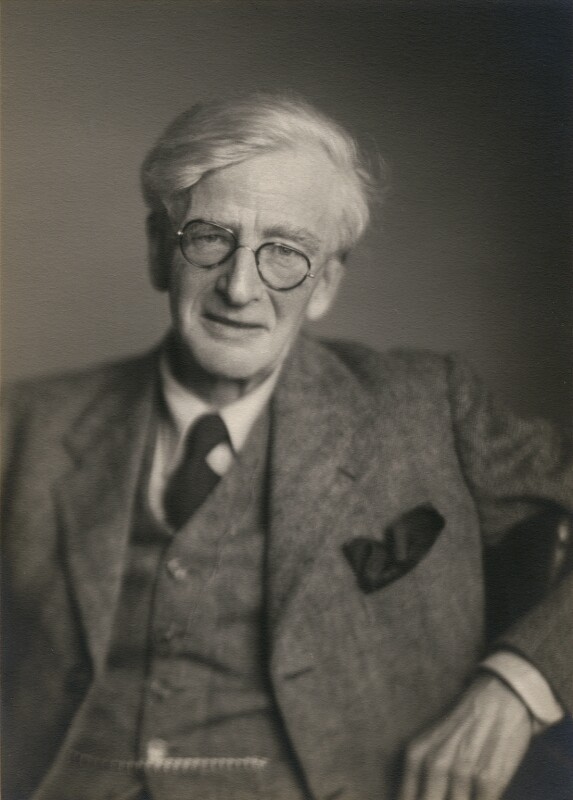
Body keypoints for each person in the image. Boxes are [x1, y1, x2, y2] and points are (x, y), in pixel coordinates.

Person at [2, 93, 572, 800]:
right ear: (159, 251)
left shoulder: (430, 406)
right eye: (209, 239)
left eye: (285, 253)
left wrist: (517, 686)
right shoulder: (27, 427)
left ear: (325, 284)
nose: (240, 288)